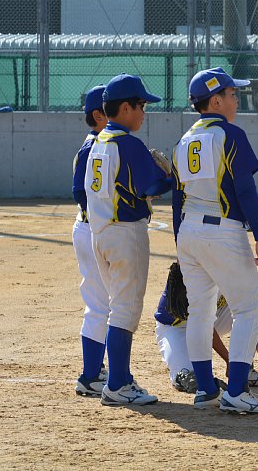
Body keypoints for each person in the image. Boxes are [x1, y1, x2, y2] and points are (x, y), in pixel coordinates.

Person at [171, 67, 258, 413]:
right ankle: (237, 391)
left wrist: (179, 241)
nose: (236, 99)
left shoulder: (183, 141)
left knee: (199, 312)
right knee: (249, 308)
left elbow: (177, 198)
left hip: (189, 230)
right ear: (215, 101)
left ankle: (206, 389)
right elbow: (245, 189)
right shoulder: (230, 134)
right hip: (222, 229)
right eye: (231, 94)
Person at [84, 74, 172, 406]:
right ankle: (118, 384)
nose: (144, 112)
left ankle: (120, 377)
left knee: (117, 307)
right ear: (125, 108)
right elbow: (151, 187)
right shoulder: (127, 143)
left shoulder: (99, 141)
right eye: (141, 105)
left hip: (100, 233)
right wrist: (171, 177)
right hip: (125, 233)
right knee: (125, 310)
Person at [154, 288, 258, 393]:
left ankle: (245, 369)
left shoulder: (231, 269)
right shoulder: (197, 272)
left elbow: (246, 315)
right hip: (176, 328)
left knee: (257, 298)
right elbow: (204, 324)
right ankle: (237, 367)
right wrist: (229, 360)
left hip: (214, 318)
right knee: (190, 378)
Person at [72, 85, 110, 397]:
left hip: (93, 228)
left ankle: (97, 368)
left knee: (105, 304)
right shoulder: (93, 146)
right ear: (98, 115)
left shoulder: (100, 143)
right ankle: (90, 376)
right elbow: (79, 191)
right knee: (99, 305)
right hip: (91, 229)